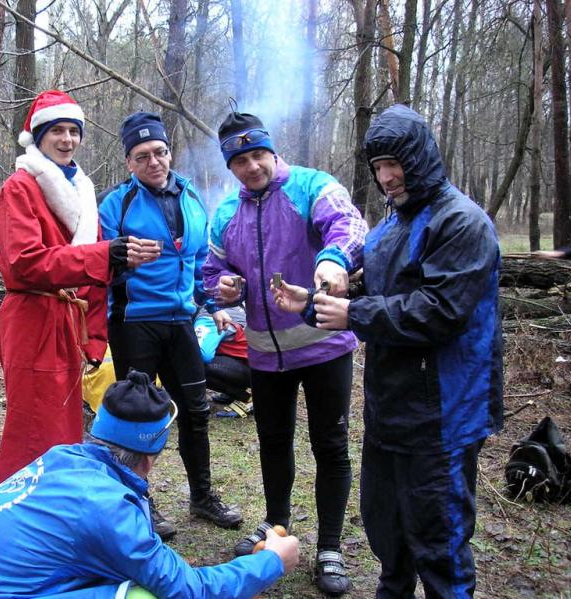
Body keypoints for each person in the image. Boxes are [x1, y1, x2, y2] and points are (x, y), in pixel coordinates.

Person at [273, 104, 504, 598]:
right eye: (378, 167)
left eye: (394, 163)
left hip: (445, 410)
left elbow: (440, 311)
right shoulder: (390, 227)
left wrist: (352, 315)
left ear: (420, 158)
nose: (387, 176)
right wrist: (311, 304)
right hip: (391, 407)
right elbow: (371, 301)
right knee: (387, 531)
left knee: (438, 540)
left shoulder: (461, 223)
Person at [0, 370, 300, 599]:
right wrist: (269, 562)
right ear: (150, 457)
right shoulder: (107, 507)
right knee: (143, 595)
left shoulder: (60, 459)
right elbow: (188, 590)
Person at [203, 111, 367, 596]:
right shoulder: (225, 212)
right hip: (265, 354)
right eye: (240, 160)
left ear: (273, 153)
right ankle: (276, 528)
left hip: (323, 347)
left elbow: (349, 225)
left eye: (258, 155)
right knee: (273, 444)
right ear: (230, 166)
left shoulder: (312, 186)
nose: (252, 166)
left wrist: (334, 260)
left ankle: (330, 549)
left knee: (330, 446)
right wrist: (224, 288)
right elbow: (212, 271)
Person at [0, 90, 153, 486]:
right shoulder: (20, 188)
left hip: (68, 322)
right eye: (57, 131)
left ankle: (54, 503)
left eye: (73, 131)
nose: (67, 139)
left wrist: (94, 339)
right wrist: (104, 254)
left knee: (63, 424)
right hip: (33, 320)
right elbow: (23, 265)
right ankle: (15, 509)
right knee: (31, 426)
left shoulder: (81, 189)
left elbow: (93, 279)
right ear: (38, 136)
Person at [98, 112, 242, 540]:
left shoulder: (191, 196)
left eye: (160, 152)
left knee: (196, 412)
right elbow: (99, 266)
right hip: (135, 323)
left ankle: (202, 497)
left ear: (169, 153)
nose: (154, 162)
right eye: (142, 156)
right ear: (129, 162)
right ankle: (139, 505)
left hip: (181, 320)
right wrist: (121, 260)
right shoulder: (115, 203)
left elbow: (197, 262)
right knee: (136, 418)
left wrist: (211, 303)